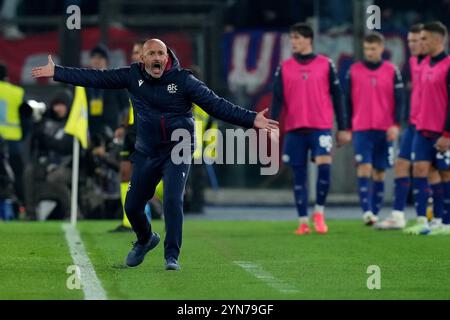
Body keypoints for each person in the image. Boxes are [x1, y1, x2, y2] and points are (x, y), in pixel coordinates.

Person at [32, 39, 278, 270]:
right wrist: (58, 72)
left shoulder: (183, 80)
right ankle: (145, 238)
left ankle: (172, 256)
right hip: (147, 151)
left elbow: (216, 104)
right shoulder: (132, 75)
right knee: (132, 207)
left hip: (178, 149)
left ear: (167, 56)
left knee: (172, 199)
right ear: (142, 59)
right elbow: (96, 77)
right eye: (151, 54)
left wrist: (251, 119)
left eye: (161, 53)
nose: (157, 57)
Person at [271, 22, 351, 235]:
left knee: (324, 167)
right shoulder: (284, 67)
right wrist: (271, 124)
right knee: (298, 174)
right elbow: (277, 99)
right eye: (292, 38)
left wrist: (343, 127)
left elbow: (338, 96)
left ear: (309, 39)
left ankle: (319, 212)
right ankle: (303, 221)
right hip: (295, 129)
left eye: (297, 38)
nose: (293, 42)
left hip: (321, 127)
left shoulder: (326, 64)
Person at [375, 24, 444, 230]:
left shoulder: (437, 64)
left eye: (418, 40)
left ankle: (437, 217)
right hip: (415, 123)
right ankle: (399, 214)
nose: (414, 45)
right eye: (411, 42)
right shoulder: (414, 62)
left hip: (432, 125)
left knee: (432, 171)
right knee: (403, 165)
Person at [346, 32, 404, 226]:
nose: (369, 52)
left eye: (373, 49)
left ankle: (375, 213)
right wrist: (346, 127)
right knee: (364, 168)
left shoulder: (391, 71)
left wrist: (396, 125)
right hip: (361, 128)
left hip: (385, 129)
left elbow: (400, 101)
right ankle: (367, 212)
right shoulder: (353, 71)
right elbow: (346, 101)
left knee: (379, 171)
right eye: (366, 49)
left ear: (381, 48)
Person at [405, 22, 450, 235]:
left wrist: (447, 134)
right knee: (420, 170)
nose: (419, 43)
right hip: (421, 129)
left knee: (445, 174)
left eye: (424, 38)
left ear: (438, 40)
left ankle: (445, 222)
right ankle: (423, 220)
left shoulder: (449, 65)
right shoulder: (421, 65)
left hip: (442, 132)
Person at [111, 40, 146, 232]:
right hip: (131, 130)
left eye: (137, 52)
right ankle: (127, 222)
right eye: (133, 52)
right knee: (124, 173)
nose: (133, 55)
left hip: (146, 130)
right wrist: (122, 126)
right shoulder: (130, 76)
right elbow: (130, 106)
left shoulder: (155, 77)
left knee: (145, 177)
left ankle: (149, 216)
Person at [0, 62, 32, 215]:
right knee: (17, 176)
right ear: (6, 76)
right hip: (13, 142)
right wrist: (22, 136)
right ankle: (22, 208)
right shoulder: (17, 92)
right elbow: (27, 118)